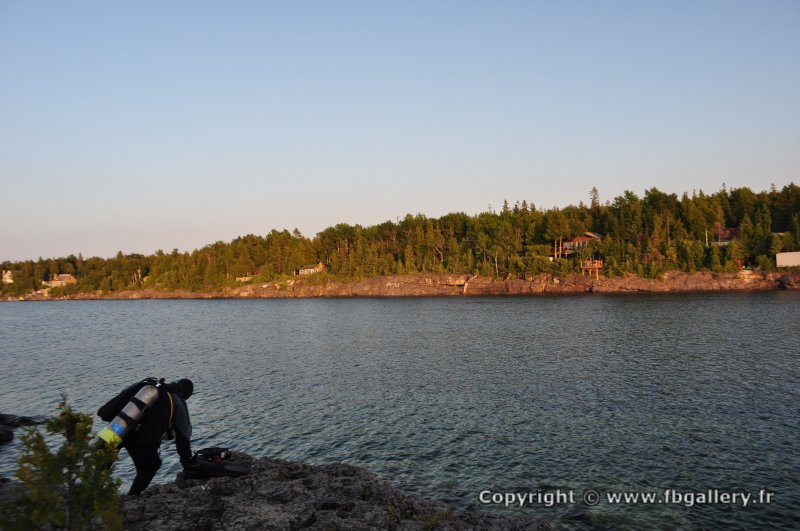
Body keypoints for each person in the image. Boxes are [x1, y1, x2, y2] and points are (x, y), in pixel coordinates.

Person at [103, 378, 195, 495]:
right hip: (138, 438)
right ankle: (132, 496)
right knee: (151, 466)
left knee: (101, 462)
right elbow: (183, 437)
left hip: (118, 426)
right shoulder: (178, 401)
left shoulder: (149, 387)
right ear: (186, 395)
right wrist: (187, 461)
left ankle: (90, 493)